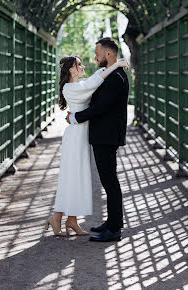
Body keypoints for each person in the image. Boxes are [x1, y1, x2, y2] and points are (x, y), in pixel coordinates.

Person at [45, 54, 128, 237]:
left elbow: (93, 79)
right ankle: (57, 217)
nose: (83, 66)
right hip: (75, 137)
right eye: (79, 64)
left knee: (78, 177)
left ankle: (71, 220)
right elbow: (93, 83)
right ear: (71, 69)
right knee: (72, 177)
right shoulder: (70, 88)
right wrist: (116, 66)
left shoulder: (78, 85)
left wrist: (114, 65)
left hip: (82, 135)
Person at [66, 37, 129, 242]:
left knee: (110, 182)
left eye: (97, 54)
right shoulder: (112, 74)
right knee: (108, 181)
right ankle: (111, 223)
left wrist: (75, 117)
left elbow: (98, 108)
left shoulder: (116, 78)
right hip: (105, 135)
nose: (95, 58)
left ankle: (114, 229)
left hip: (107, 137)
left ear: (108, 54)